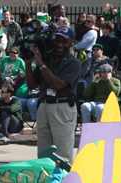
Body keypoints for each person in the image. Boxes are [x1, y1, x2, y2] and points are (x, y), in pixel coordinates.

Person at [25, 26, 81, 162]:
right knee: (43, 154)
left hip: (62, 106)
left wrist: (41, 65)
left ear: (71, 43)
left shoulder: (74, 63)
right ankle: (46, 181)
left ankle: (63, 182)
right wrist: (28, 64)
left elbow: (58, 84)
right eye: (57, 40)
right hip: (44, 105)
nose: (60, 44)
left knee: (62, 155)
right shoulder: (47, 58)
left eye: (64, 41)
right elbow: (32, 85)